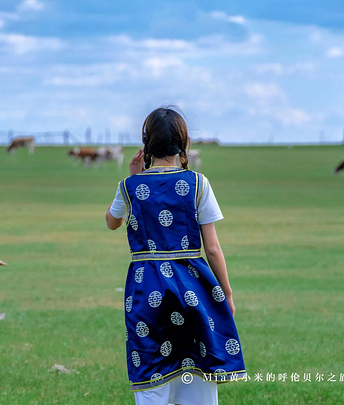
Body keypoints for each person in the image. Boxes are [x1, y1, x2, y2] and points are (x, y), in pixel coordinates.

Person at [105, 107, 245, 404]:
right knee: (197, 362)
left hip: (146, 287)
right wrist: (227, 294)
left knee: (151, 362)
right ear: (183, 142)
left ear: (146, 144)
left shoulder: (129, 187)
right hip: (193, 285)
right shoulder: (198, 183)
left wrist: (134, 179)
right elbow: (212, 248)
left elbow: (111, 221)